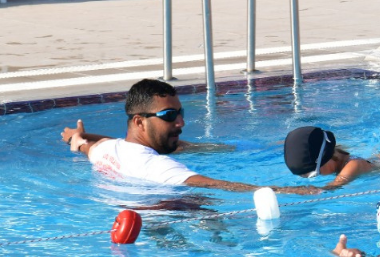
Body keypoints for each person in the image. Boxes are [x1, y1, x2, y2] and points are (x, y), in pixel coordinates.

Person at [59, 79, 319, 194]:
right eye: (169, 115)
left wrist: (75, 137)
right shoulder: (155, 166)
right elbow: (215, 184)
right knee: (201, 203)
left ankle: (264, 147)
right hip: (166, 227)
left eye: (180, 113)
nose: (181, 122)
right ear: (139, 121)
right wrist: (288, 190)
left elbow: (85, 145)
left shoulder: (104, 150)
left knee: (184, 146)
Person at [283, 126, 378, 189]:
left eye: (314, 174)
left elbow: (329, 188)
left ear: (326, 159)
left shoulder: (353, 165)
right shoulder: (338, 160)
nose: (318, 176)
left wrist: (284, 190)